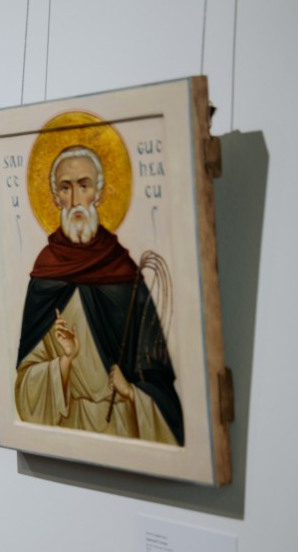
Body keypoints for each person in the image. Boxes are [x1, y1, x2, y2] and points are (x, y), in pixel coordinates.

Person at [15, 146, 184, 445]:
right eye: (66, 188)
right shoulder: (46, 274)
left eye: (84, 186)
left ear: (100, 194)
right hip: (67, 428)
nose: (76, 200)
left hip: (122, 423)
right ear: (55, 198)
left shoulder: (122, 272)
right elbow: (25, 382)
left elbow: (156, 374)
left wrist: (131, 392)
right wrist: (65, 361)